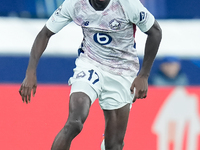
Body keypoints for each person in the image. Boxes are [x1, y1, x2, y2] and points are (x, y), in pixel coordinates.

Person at [19, 0, 162, 149]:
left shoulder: (127, 4)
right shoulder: (75, 4)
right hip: (90, 63)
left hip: (122, 71)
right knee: (74, 122)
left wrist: (144, 75)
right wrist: (30, 72)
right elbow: (45, 33)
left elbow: (155, 32)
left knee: (113, 145)